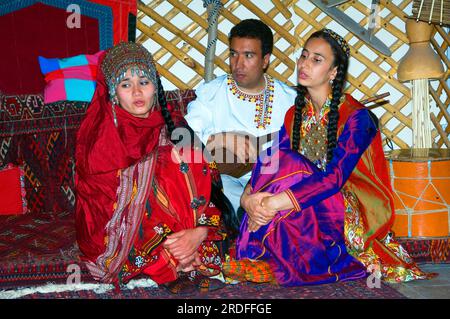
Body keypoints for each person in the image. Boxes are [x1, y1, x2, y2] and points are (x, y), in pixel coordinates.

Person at [222, 29, 433, 286]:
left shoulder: (358, 118)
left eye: (317, 60)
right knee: (281, 162)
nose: (304, 64)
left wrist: (275, 202)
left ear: (333, 72)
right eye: (304, 56)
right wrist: (249, 200)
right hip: (306, 201)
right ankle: (265, 263)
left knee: (294, 169)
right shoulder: (294, 114)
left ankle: (272, 264)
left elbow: (334, 179)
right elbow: (271, 161)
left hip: (348, 208)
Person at [75, 42, 227, 293]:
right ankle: (175, 259)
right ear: (113, 93)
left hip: (188, 231)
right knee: (160, 164)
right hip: (126, 236)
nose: (137, 92)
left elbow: (211, 187)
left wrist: (198, 232)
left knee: (185, 155)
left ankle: (188, 251)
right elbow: (106, 213)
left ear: (155, 87)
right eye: (126, 85)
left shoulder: (175, 126)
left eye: (143, 82)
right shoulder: (100, 139)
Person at [185, 19, 297, 223]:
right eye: (233, 54)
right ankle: (243, 218)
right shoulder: (213, 92)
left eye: (248, 55)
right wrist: (219, 140)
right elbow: (182, 142)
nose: (238, 64)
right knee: (217, 190)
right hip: (226, 183)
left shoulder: (288, 99)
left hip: (272, 184)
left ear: (265, 60)